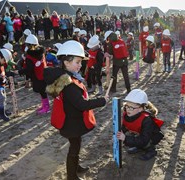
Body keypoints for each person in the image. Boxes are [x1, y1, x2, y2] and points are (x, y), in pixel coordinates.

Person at [44, 40, 109, 180]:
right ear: (66, 62)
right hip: (71, 123)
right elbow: (82, 104)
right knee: (74, 149)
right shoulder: (69, 84)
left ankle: (76, 167)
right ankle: (71, 176)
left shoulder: (64, 77)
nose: (80, 65)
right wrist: (102, 101)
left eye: (81, 62)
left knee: (76, 145)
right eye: (77, 62)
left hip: (70, 119)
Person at [116, 89, 164, 161]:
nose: (128, 110)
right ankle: (139, 147)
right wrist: (121, 132)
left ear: (140, 109)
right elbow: (126, 125)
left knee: (146, 143)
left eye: (131, 108)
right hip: (138, 133)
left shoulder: (147, 120)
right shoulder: (127, 114)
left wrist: (125, 138)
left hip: (151, 137)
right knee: (133, 137)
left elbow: (144, 139)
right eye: (127, 106)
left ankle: (151, 151)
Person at [19, 34, 50, 114]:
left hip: (37, 76)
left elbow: (29, 69)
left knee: (42, 92)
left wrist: (19, 71)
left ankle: (46, 107)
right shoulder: (41, 52)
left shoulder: (30, 57)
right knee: (42, 91)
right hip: (44, 74)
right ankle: (44, 105)